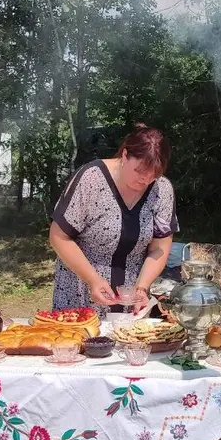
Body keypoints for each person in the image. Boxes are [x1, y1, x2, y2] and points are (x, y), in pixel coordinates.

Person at [49, 124, 178, 313]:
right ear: (125, 155)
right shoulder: (91, 178)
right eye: (140, 171)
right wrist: (92, 279)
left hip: (130, 303)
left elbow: (160, 248)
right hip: (80, 296)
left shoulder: (162, 190)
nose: (146, 180)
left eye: (154, 174)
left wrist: (142, 287)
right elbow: (58, 237)